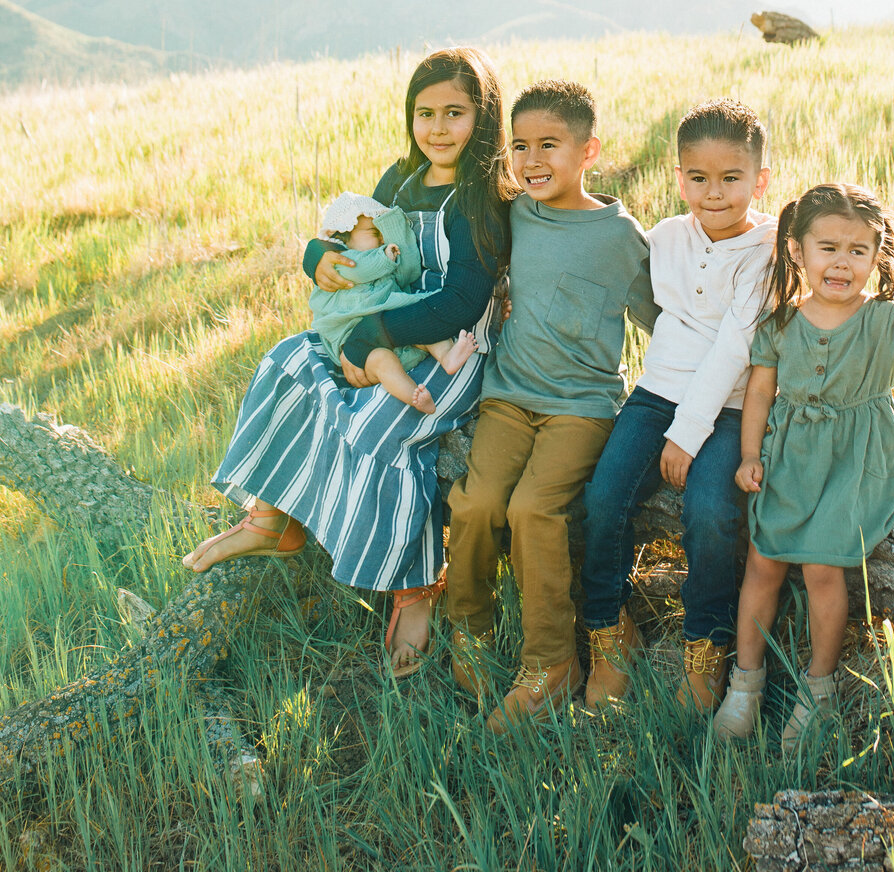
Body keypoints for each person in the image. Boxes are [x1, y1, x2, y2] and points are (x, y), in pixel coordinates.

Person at [182, 46, 519, 678]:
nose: (438, 129)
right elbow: (350, 235)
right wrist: (314, 256)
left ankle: (416, 587)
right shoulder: (399, 181)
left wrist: (373, 336)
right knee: (290, 360)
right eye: (425, 113)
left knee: (377, 428)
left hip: (452, 354)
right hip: (383, 330)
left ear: (485, 117)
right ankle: (272, 518)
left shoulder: (482, 200)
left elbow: (462, 300)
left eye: (455, 113)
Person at [713, 181, 894, 750]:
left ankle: (818, 691)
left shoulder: (885, 319)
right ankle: (745, 684)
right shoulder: (781, 324)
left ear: (876, 256)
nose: (842, 263)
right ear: (799, 251)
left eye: (858, 251)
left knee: (821, 569)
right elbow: (760, 396)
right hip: (789, 460)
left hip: (856, 461)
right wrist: (748, 456)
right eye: (829, 248)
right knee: (763, 564)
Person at [445, 80, 658, 732]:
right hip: (509, 396)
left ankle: (551, 664)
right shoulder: (513, 215)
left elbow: (664, 322)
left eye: (548, 145)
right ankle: (473, 631)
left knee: (535, 510)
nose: (531, 159)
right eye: (519, 146)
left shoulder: (620, 236)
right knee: (476, 504)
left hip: (581, 407)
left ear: (588, 150)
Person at [581, 98, 774, 714]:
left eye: (730, 179)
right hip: (656, 392)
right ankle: (608, 627)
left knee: (712, 509)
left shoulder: (769, 250)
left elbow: (735, 346)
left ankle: (706, 642)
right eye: (698, 179)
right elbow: (628, 292)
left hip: (731, 407)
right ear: (678, 177)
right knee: (603, 498)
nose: (713, 193)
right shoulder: (665, 237)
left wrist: (687, 435)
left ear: (760, 179)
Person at [308, 193, 478, 415]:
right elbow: (362, 268)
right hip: (360, 351)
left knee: (427, 320)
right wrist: (384, 255)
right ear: (345, 236)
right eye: (374, 233)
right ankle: (414, 396)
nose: (381, 240)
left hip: (400, 335)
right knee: (382, 361)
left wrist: (393, 225)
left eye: (383, 235)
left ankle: (448, 357)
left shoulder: (385, 267)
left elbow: (410, 270)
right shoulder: (339, 263)